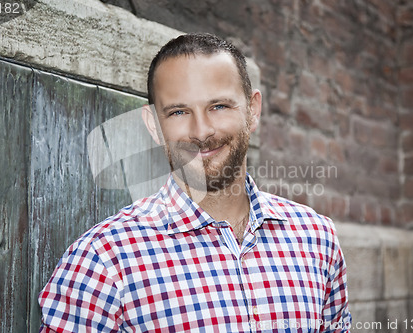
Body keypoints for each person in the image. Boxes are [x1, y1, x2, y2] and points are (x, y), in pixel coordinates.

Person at [39, 33, 352, 332]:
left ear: (253, 111)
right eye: (178, 111)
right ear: (153, 125)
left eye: (218, 106)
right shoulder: (103, 258)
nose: (201, 131)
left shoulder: (316, 238)